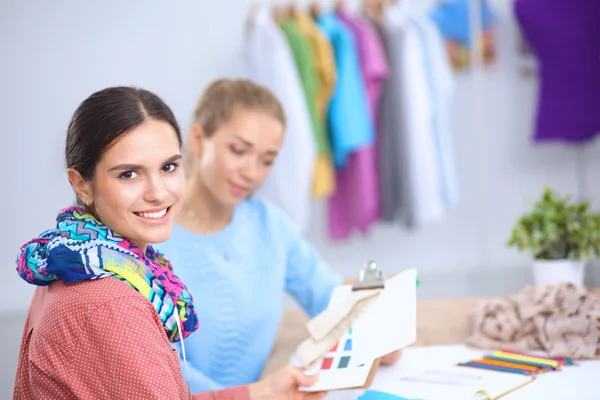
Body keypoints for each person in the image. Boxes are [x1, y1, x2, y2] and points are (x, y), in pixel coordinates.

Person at [14, 86, 325, 400]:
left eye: (168, 167)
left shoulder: (74, 258)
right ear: (82, 184)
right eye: (129, 174)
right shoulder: (111, 302)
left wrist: (262, 393)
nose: (158, 193)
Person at [156, 78, 400, 392]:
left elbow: (329, 298)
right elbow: (160, 369)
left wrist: (375, 323)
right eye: (239, 150)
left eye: (267, 160)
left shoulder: (270, 225)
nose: (252, 172)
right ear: (200, 139)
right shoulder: (152, 239)